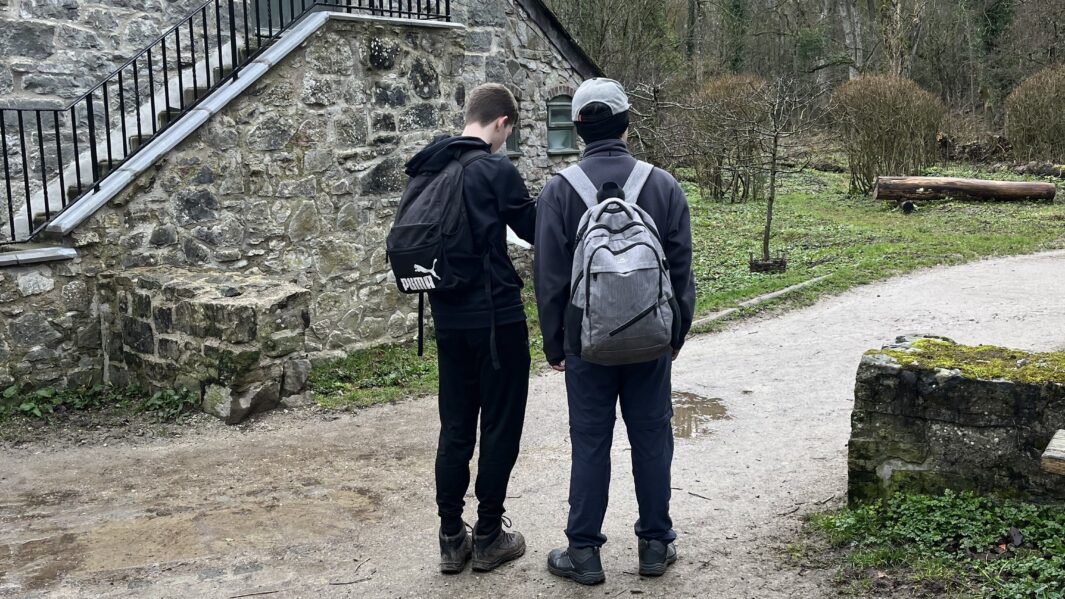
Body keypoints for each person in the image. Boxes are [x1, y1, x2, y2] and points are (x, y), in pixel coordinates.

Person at [533, 78, 696, 585]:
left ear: (579, 128)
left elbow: (550, 278)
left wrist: (556, 344)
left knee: (590, 443)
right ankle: (653, 544)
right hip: (650, 341)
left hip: (587, 346)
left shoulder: (560, 192)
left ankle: (583, 552)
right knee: (651, 438)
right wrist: (675, 336)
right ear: (627, 124)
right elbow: (682, 269)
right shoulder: (663, 186)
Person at [402, 83, 535, 574]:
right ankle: (487, 537)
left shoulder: (428, 165)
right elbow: (533, 228)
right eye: (509, 133)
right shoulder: (494, 168)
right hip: (497, 320)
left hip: (447, 318)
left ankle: (449, 536)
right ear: (502, 123)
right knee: (500, 425)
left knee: (455, 426)